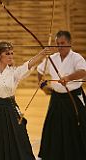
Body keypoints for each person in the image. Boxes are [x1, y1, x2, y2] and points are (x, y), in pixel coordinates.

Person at [37, 30, 86, 160]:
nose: (60, 46)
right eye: (57, 44)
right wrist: (43, 86)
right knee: (53, 128)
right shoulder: (52, 59)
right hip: (57, 98)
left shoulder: (76, 57)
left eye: (63, 43)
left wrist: (68, 78)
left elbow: (83, 72)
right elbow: (40, 71)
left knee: (77, 127)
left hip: (73, 98)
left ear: (70, 43)